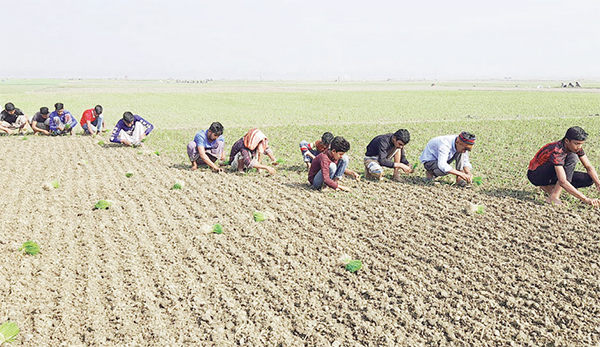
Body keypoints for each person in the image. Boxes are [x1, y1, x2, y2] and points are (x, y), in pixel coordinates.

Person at [527, 126, 600, 207]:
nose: (579, 147)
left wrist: (598, 183)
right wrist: (585, 199)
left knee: (589, 179)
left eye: (581, 144)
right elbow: (563, 181)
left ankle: (549, 187)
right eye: (577, 143)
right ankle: (554, 196)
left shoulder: (576, 148)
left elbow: (588, 166)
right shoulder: (557, 151)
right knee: (572, 157)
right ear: (567, 141)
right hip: (536, 175)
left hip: (553, 172)